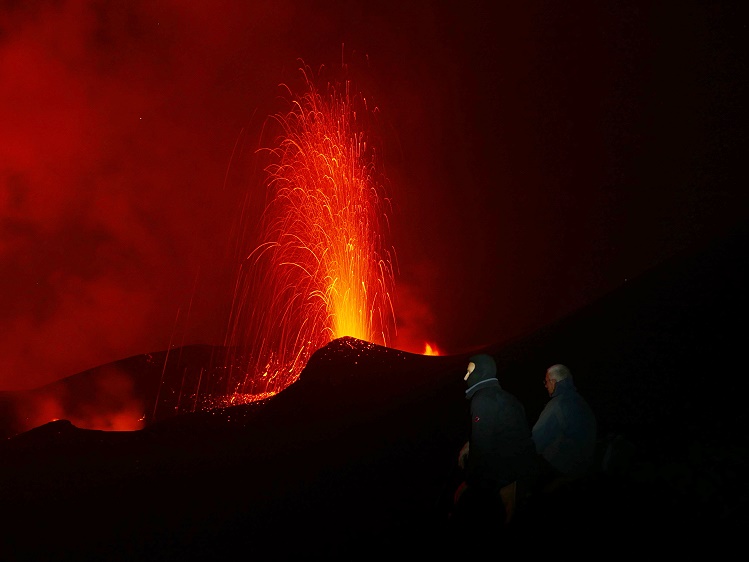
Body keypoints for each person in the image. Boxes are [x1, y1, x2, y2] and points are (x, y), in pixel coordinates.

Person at [451, 353, 540, 533]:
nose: (465, 377)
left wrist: (470, 481)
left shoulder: (482, 400)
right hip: (522, 468)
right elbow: (504, 430)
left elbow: (482, 450)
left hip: (507, 474)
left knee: (466, 503)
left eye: (469, 372)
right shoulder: (505, 397)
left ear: (481, 372)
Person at [532, 363, 597, 492]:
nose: (545, 385)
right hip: (588, 461)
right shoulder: (579, 400)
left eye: (546, 381)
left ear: (554, 382)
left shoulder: (556, 404)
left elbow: (536, 440)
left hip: (568, 467)